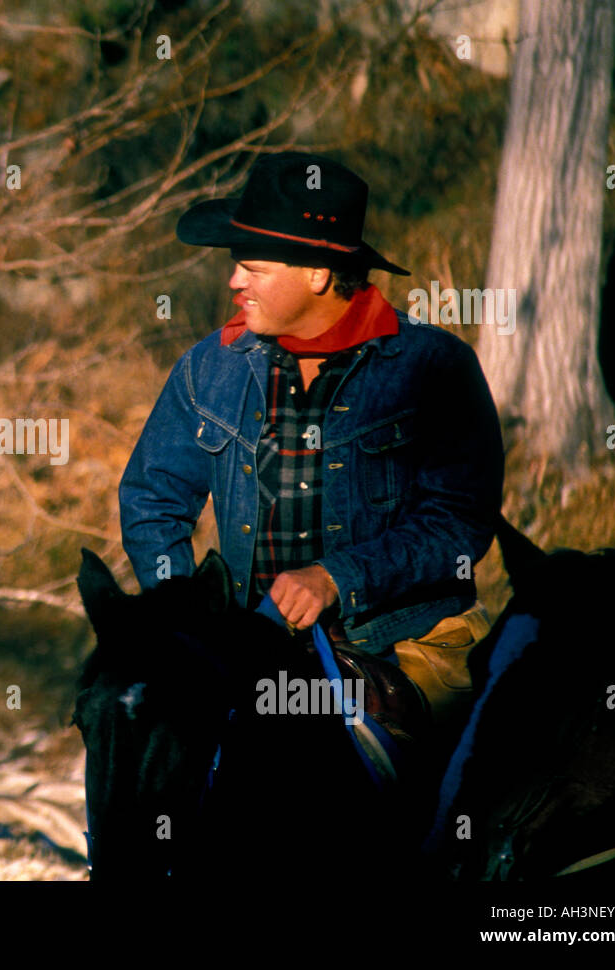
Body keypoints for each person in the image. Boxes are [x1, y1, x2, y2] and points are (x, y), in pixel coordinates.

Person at [120, 152, 503, 722]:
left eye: (253, 269)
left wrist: (335, 578)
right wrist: (187, 619)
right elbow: (152, 500)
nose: (234, 282)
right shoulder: (210, 368)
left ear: (318, 274)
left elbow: (458, 525)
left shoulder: (434, 367)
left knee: (453, 795)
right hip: (248, 655)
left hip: (401, 648)